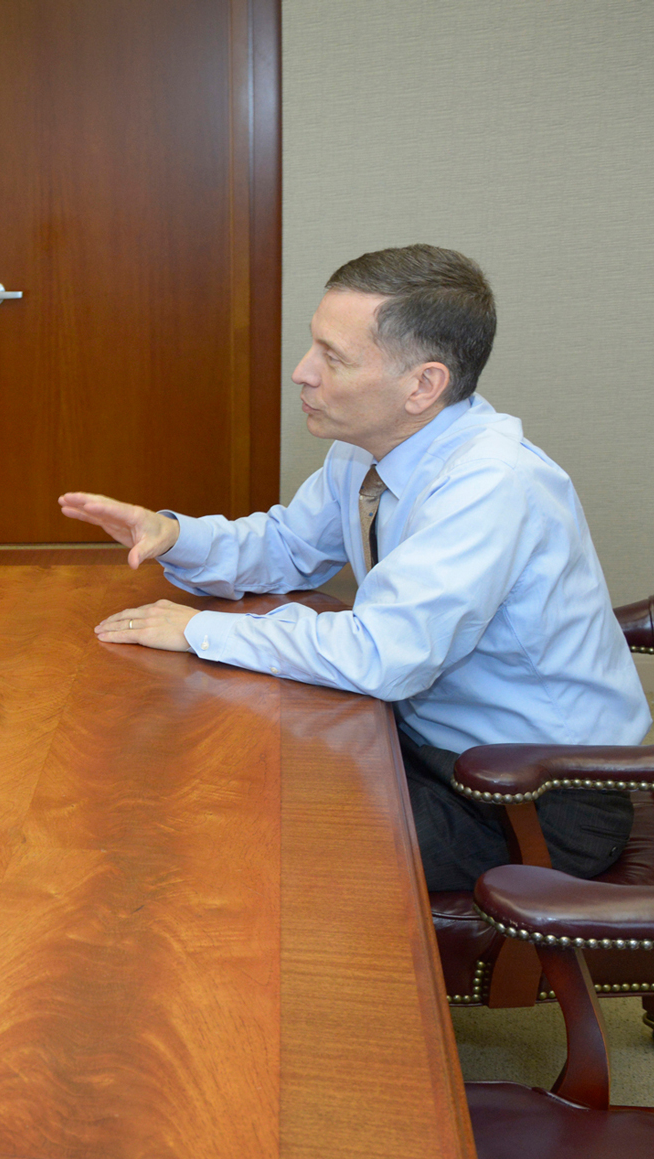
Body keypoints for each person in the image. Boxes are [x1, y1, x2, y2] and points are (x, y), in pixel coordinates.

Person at [58, 244, 648, 892]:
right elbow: (287, 547)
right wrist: (170, 535)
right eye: (314, 346)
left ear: (422, 385)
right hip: (426, 743)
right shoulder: (366, 449)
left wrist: (200, 629)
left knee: (236, 827)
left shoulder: (491, 483)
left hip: (534, 799)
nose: (302, 373)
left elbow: (385, 654)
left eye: (332, 358)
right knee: (206, 760)